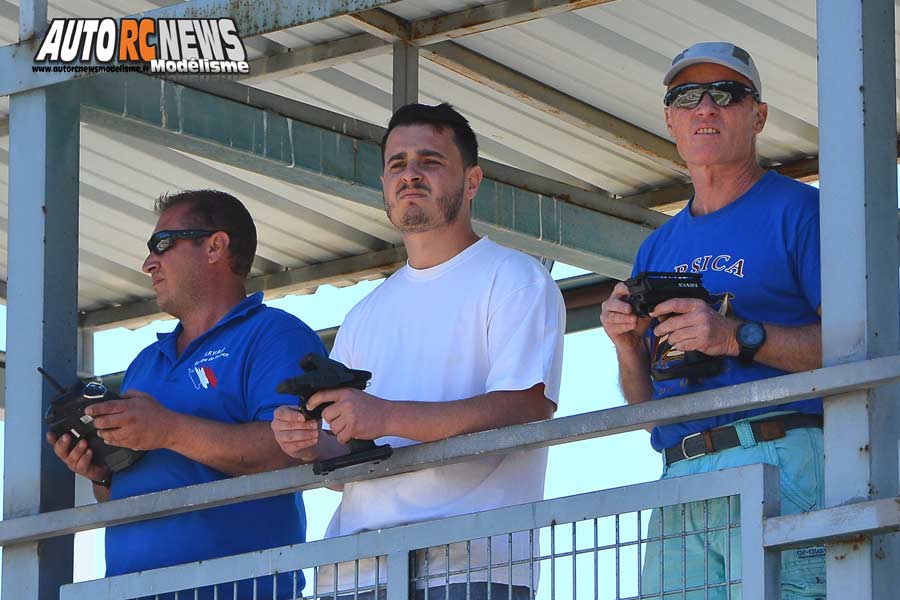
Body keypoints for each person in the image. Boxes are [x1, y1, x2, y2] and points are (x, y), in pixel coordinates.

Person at [271, 103, 565, 599]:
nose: (410, 175)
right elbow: (347, 449)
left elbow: (525, 406)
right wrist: (307, 443)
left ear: (472, 182)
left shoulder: (515, 278)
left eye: (429, 161)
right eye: (397, 164)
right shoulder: (365, 312)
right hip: (353, 572)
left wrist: (383, 415)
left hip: (469, 565)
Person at [600, 42, 825, 599]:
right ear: (670, 119)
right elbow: (649, 415)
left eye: (725, 93)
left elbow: (862, 345)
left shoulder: (803, 211)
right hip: (681, 472)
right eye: (687, 96)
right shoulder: (657, 246)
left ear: (759, 115)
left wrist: (734, 336)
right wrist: (627, 346)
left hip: (781, 455)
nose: (705, 107)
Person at [47, 190, 325, 599]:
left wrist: (168, 429)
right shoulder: (146, 362)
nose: (148, 263)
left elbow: (291, 450)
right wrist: (102, 470)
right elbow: (121, 492)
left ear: (215, 246)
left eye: (162, 244)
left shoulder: (275, 334)